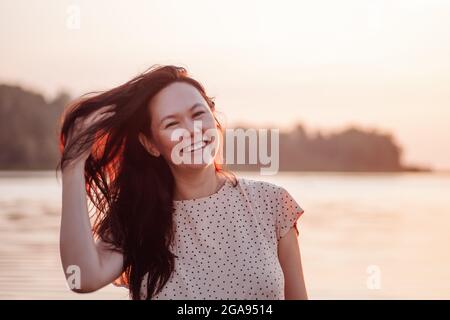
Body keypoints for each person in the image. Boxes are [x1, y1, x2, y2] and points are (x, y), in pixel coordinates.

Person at [58, 64, 308, 300]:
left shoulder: (271, 203)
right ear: (151, 144)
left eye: (198, 114)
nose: (191, 130)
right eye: (172, 123)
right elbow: (82, 278)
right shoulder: (137, 218)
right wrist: (73, 162)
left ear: (215, 119)